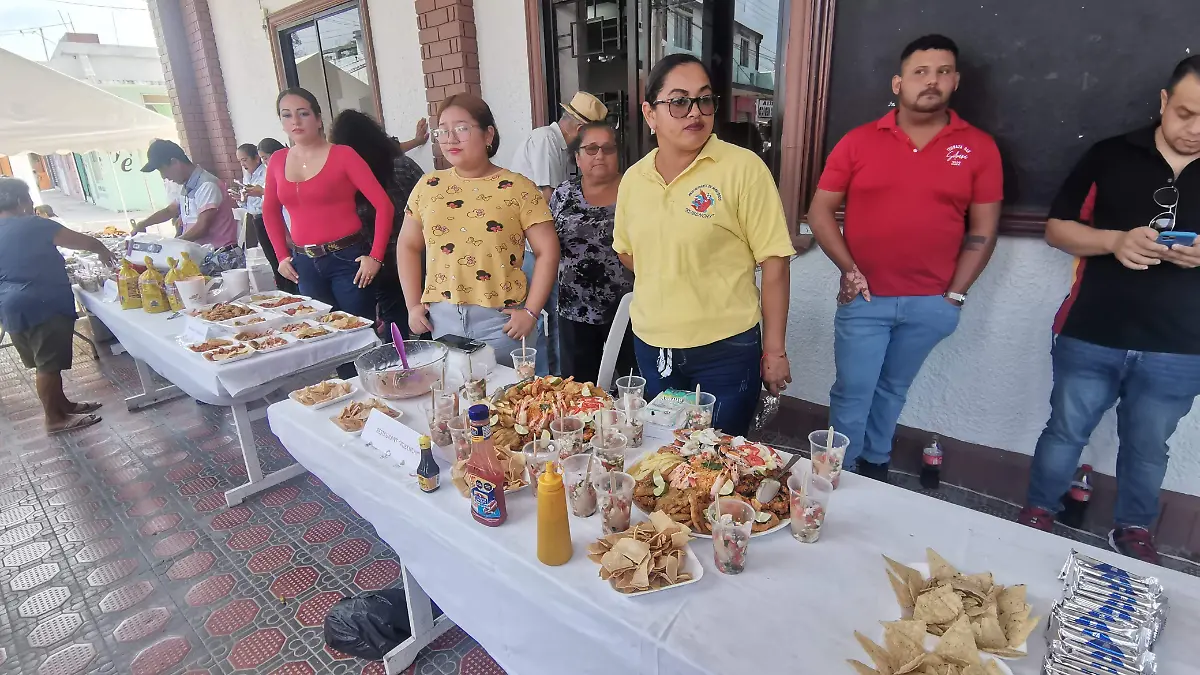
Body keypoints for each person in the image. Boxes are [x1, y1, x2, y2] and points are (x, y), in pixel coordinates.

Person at [1017, 56, 1200, 565]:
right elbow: (1057, 228)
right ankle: (1037, 513)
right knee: (1065, 430)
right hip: (1093, 329)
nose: (1194, 130)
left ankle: (1134, 530)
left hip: (1181, 343)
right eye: (1185, 113)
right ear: (1164, 102)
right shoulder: (1112, 155)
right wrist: (1114, 241)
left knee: (1148, 446)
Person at [808, 34, 1003, 481]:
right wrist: (849, 270)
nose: (931, 81)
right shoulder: (858, 142)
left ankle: (875, 466)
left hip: (930, 303)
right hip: (866, 298)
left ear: (956, 80)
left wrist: (954, 296)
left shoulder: (978, 147)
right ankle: (840, 472)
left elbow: (983, 230)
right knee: (853, 391)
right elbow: (819, 212)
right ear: (898, 83)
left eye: (942, 71)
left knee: (893, 389)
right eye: (920, 72)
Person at [613, 54, 794, 437]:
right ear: (650, 114)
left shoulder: (742, 168)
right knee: (665, 452)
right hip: (653, 344)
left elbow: (775, 262)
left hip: (725, 349)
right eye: (679, 101)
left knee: (720, 457)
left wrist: (774, 350)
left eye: (704, 99)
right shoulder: (634, 179)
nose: (695, 112)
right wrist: (671, 273)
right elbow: (626, 250)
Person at [397, 93, 559, 367]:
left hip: (502, 321)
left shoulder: (518, 187)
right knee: (456, 398)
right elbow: (408, 246)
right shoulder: (429, 186)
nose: (450, 138)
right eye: (443, 130)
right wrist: (413, 304)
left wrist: (531, 312)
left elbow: (548, 251)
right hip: (442, 319)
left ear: (488, 135)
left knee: (510, 402)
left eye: (461, 128)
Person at [261, 88, 394, 326]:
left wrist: (376, 256)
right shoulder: (278, 161)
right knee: (319, 333)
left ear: (319, 119)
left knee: (359, 333)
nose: (296, 121)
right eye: (287, 115)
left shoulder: (343, 155)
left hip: (347, 259)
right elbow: (270, 210)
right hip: (304, 262)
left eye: (303, 113)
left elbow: (384, 205)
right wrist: (281, 256)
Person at [0, 177, 115, 433]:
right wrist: (102, 249)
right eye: (28, 199)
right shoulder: (33, 225)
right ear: (20, 201)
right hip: (41, 302)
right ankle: (54, 419)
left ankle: (62, 404)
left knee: (43, 361)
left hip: (12, 305)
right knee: (48, 366)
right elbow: (83, 242)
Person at [508, 92, 609, 377]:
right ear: (579, 130)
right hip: (533, 250)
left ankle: (555, 378)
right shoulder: (545, 141)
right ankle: (540, 381)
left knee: (554, 315)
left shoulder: (561, 147)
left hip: (546, 249)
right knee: (538, 317)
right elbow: (549, 200)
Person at [551, 121, 635, 382]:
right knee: (578, 389)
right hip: (574, 310)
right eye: (591, 148)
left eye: (608, 148)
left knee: (634, 389)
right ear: (577, 157)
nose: (600, 155)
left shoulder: (637, 190)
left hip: (630, 311)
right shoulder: (564, 193)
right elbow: (547, 245)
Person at [330, 109, 425, 341]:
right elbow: (433, 205)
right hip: (420, 257)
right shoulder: (404, 165)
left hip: (377, 261)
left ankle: (399, 369)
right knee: (426, 317)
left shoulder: (346, 176)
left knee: (395, 324)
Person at [132, 139, 239, 248]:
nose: (164, 177)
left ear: (175, 162)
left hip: (219, 254)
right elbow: (170, 211)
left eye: (162, 170)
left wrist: (172, 245)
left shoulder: (206, 185)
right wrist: (143, 224)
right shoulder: (187, 185)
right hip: (198, 251)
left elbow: (202, 227)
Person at [233, 143, 266, 245]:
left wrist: (259, 193)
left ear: (256, 158)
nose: (242, 164)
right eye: (240, 161)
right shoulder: (247, 176)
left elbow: (269, 199)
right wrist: (242, 200)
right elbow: (248, 205)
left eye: (244, 160)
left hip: (265, 218)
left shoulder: (266, 173)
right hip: (253, 219)